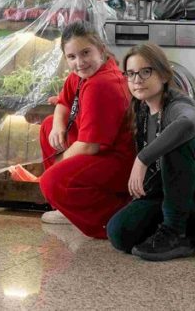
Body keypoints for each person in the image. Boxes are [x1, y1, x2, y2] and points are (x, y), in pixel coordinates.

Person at [107, 44, 195, 262]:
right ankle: (185, 232)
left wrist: (142, 159)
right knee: (119, 232)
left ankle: (175, 234)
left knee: (179, 142)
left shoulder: (178, 104)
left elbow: (189, 124)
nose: (137, 80)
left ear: (164, 75)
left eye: (146, 72)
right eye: (131, 73)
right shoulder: (141, 109)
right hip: (174, 194)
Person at [37, 21, 134, 239]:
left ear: (101, 49)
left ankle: (113, 219)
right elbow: (63, 102)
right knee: (48, 126)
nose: (79, 62)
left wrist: (58, 166)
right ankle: (67, 208)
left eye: (86, 53)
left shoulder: (100, 84)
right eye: (72, 57)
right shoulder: (83, 74)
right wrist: (58, 126)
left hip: (118, 162)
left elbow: (89, 147)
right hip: (100, 151)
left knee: (51, 181)